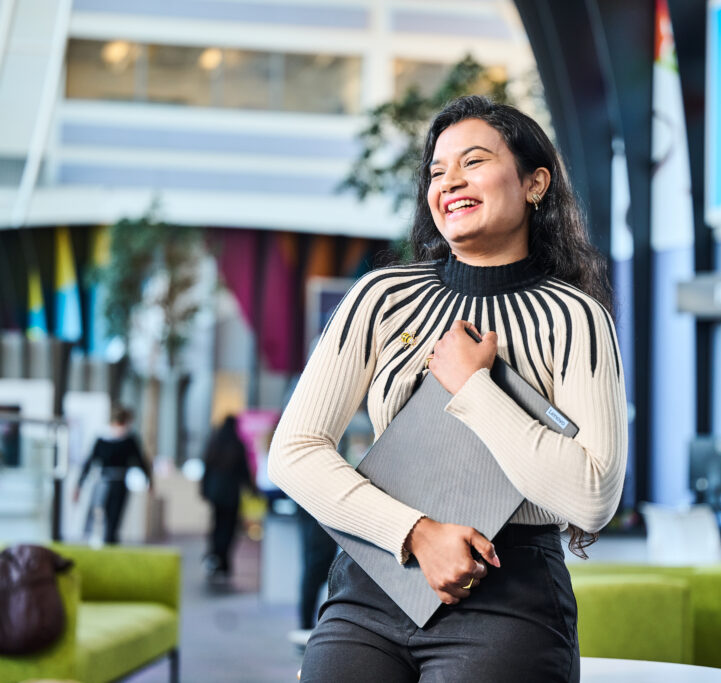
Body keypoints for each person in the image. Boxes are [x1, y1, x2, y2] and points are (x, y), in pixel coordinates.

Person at [268, 95, 628, 682]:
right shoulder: (381, 297)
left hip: (509, 595)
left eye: (474, 161)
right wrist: (415, 534)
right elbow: (293, 452)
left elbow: (592, 496)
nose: (450, 182)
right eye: (437, 171)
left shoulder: (575, 318)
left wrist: (472, 386)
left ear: (535, 183)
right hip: (375, 582)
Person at [74, 405, 152, 545]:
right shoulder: (102, 440)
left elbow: (141, 461)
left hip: (120, 483)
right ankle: (96, 542)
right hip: (103, 482)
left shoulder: (129, 440)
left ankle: (111, 542)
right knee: (97, 516)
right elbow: (90, 462)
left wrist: (149, 481)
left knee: (114, 519)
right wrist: (79, 485)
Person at [200, 414, 254, 578]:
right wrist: (253, 490)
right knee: (229, 528)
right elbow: (244, 471)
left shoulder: (214, 444)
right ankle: (223, 562)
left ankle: (214, 558)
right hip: (231, 494)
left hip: (216, 493)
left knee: (217, 526)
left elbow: (206, 470)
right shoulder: (237, 444)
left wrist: (205, 491)